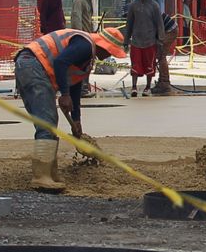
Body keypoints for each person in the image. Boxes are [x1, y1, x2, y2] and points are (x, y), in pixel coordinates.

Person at [14, 27, 128, 190]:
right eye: (110, 52)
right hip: (33, 65)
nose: (109, 56)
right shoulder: (85, 45)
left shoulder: (86, 56)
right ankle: (41, 176)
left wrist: (76, 120)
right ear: (103, 45)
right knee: (47, 122)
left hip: (30, 64)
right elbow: (61, 62)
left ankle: (50, 172)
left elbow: (74, 84)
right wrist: (64, 94)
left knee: (48, 122)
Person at [124, 0, 163, 96]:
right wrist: (126, 41)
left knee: (149, 65)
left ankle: (147, 87)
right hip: (136, 41)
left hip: (150, 41)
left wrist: (160, 40)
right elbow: (129, 24)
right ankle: (134, 87)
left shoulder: (154, 6)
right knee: (135, 65)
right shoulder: (133, 6)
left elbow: (159, 24)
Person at [152, 14, 178, 96]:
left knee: (161, 55)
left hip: (169, 30)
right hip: (165, 29)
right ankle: (162, 81)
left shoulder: (144, 15)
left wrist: (158, 41)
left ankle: (164, 83)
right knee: (159, 55)